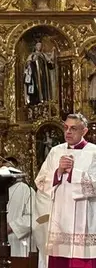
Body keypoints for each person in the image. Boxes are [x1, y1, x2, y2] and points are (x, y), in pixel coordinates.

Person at [34, 113, 96, 268]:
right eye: (66, 128)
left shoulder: (94, 152)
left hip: (85, 220)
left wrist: (73, 172)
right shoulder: (55, 151)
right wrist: (58, 172)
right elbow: (40, 181)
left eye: (73, 128)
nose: (68, 132)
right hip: (60, 220)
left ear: (84, 131)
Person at [0, 157, 36, 257]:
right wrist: (0, 228)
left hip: (19, 240)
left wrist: (12, 226)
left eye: (9, 169)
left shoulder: (27, 190)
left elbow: (33, 217)